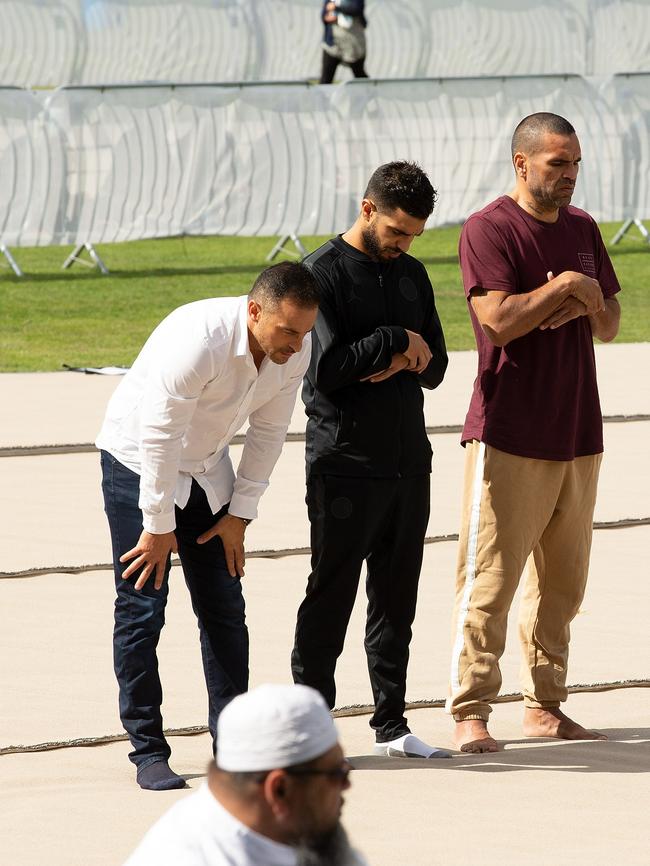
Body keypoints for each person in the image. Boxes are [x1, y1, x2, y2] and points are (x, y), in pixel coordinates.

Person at [97, 263, 320, 790]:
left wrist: (240, 515)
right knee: (142, 607)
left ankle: (235, 747)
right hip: (137, 464)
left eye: (305, 331)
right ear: (254, 310)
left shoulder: (297, 348)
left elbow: (269, 433)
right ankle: (147, 749)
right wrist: (156, 526)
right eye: (287, 330)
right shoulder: (199, 339)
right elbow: (159, 436)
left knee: (224, 607)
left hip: (206, 467)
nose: (295, 344)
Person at [448, 112, 621, 753]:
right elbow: (496, 320)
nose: (570, 176)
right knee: (489, 579)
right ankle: (470, 711)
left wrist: (580, 295)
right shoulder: (489, 229)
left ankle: (545, 706)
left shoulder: (582, 229)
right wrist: (570, 290)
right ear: (521, 163)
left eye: (575, 163)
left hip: (578, 428)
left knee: (564, 584)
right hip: (510, 432)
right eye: (557, 164)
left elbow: (609, 321)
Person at [292, 161, 451, 759]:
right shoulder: (321, 274)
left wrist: (411, 353)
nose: (404, 244)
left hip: (409, 461)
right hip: (343, 461)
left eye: (413, 234)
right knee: (330, 593)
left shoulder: (412, 274)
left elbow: (435, 366)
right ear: (367, 209)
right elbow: (326, 373)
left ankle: (391, 724)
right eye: (397, 230)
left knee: (397, 596)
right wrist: (392, 342)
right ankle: (310, 729)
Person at [124, 683, 367, 866]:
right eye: (337, 773)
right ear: (279, 789)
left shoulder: (297, 829)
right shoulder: (188, 856)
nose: (346, 785)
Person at [319, 1, 368, 84]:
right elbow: (324, 13)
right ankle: (321, 96)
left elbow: (356, 8)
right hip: (333, 44)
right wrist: (327, 17)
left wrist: (336, 7)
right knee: (326, 78)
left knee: (360, 76)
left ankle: (371, 94)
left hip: (353, 44)